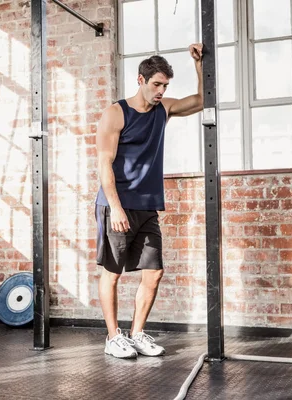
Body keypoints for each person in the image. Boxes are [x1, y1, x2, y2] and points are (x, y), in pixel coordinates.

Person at [95, 43, 204, 359]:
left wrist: (199, 65)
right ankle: (113, 337)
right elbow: (104, 163)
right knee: (112, 273)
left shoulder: (164, 109)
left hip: (147, 206)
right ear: (140, 80)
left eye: (165, 85)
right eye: (156, 84)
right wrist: (115, 207)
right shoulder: (115, 113)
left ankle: (137, 333)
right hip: (116, 204)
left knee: (153, 272)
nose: (161, 90)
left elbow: (202, 101)